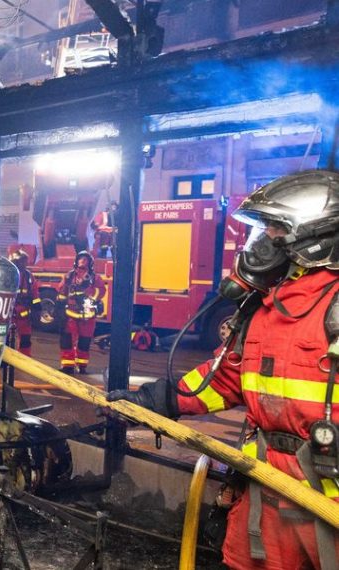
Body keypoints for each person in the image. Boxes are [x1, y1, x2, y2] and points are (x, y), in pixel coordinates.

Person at [108, 170, 339, 570]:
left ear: (312, 240)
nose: (260, 243)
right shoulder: (262, 309)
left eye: (272, 229)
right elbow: (225, 378)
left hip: (328, 498)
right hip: (264, 487)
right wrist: (154, 401)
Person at [58, 250, 105, 374]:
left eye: (86, 259)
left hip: (87, 316)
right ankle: (67, 366)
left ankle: (82, 365)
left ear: (90, 263)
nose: (83, 261)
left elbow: (101, 291)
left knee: (84, 342)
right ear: (76, 261)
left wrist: (89, 296)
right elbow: (62, 291)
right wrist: (59, 307)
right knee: (67, 340)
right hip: (71, 314)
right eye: (81, 258)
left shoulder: (94, 278)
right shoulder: (69, 276)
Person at [10, 249, 40, 357]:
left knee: (26, 338)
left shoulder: (29, 277)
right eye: (22, 261)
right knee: (6, 337)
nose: (24, 264)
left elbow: (35, 294)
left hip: (24, 314)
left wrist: (37, 309)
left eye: (25, 261)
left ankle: (24, 358)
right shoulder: (9, 274)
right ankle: (5, 358)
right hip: (10, 313)